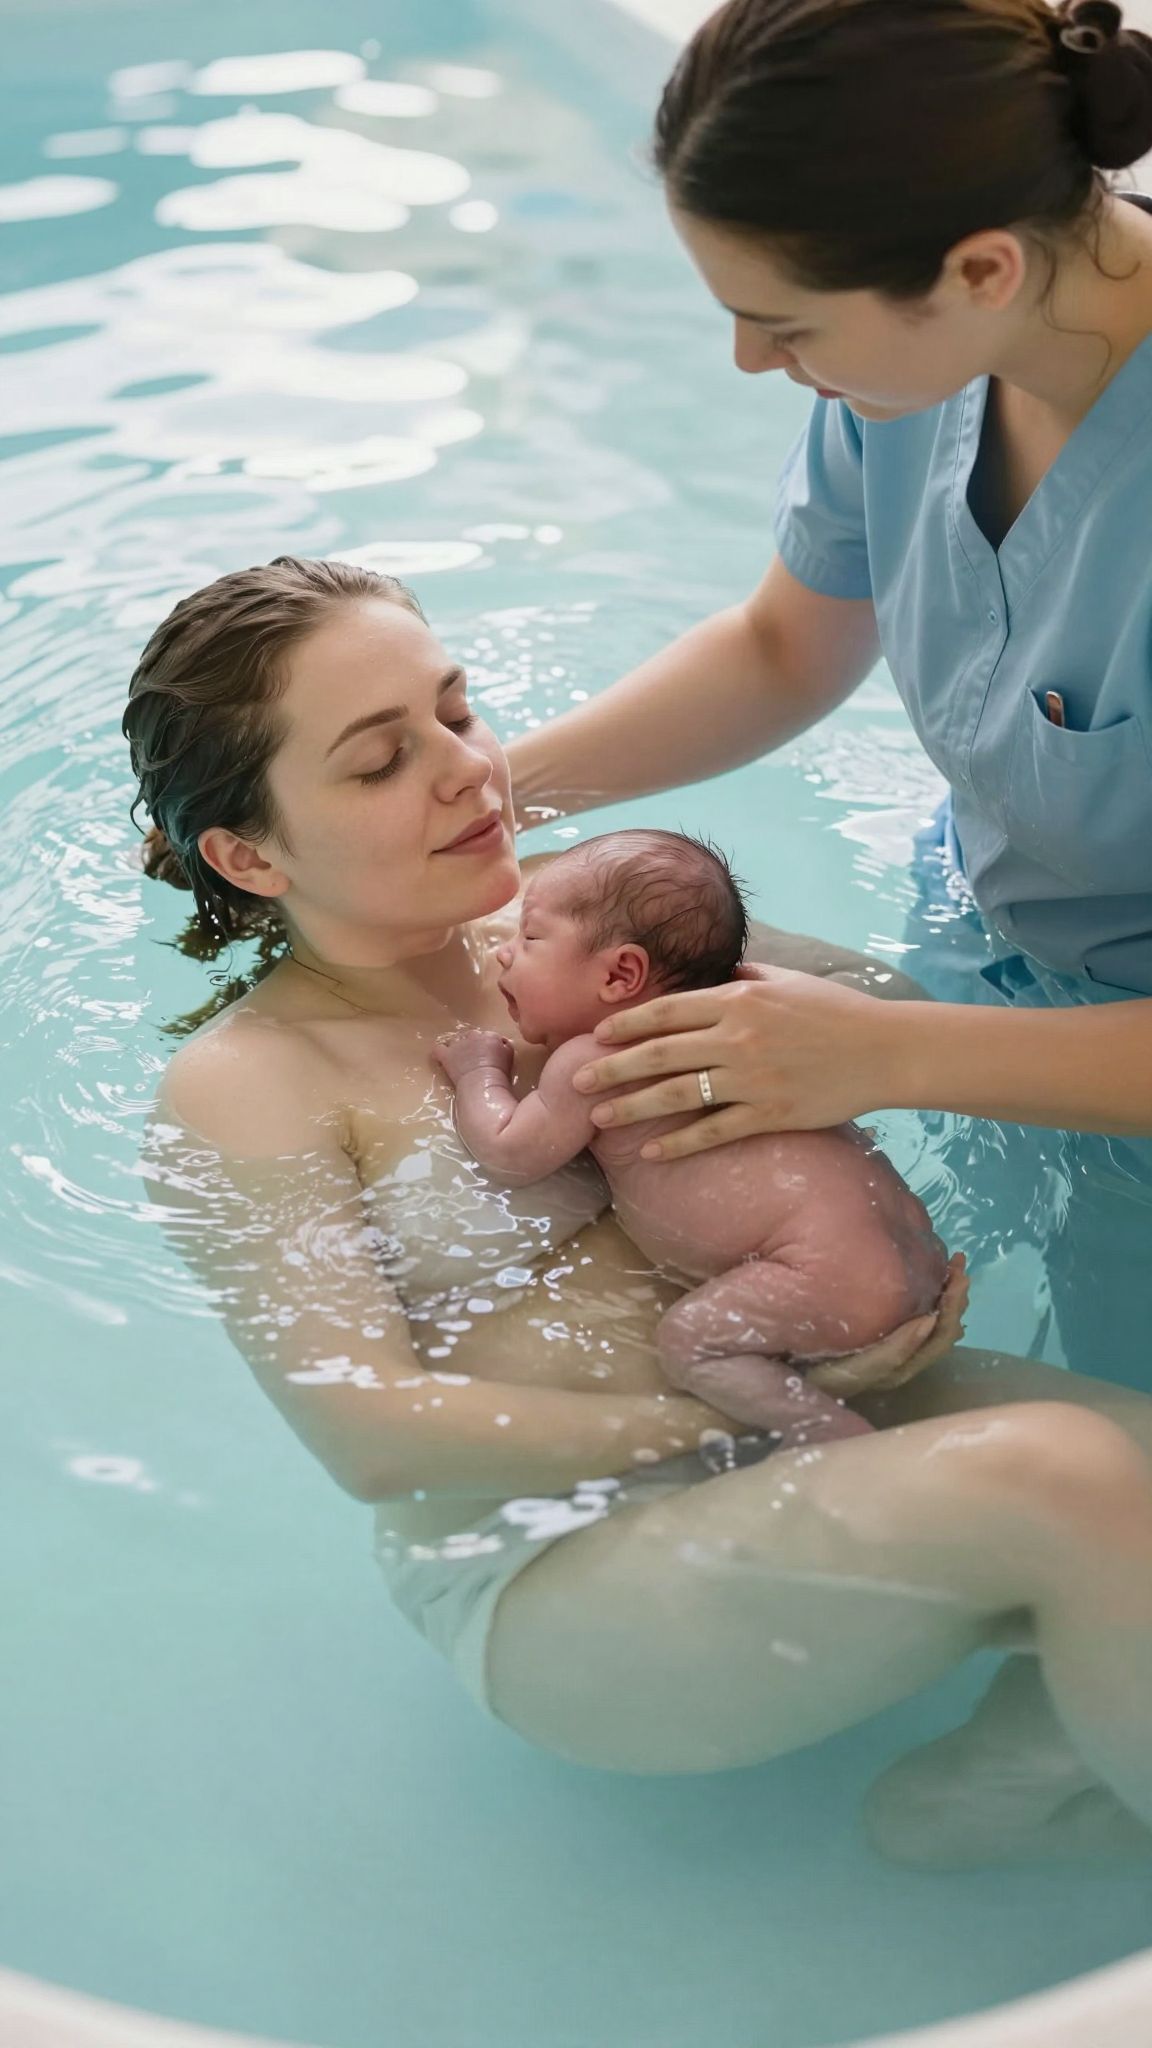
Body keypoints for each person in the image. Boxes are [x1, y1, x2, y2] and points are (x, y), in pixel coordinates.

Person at [124, 555, 1152, 1868]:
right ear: (247, 853)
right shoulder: (250, 1085)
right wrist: (727, 1414)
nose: (465, 768)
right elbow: (372, 1435)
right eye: (380, 761)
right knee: (1068, 1481)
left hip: (798, 1402)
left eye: (455, 708)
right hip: (569, 1575)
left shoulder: (578, 922)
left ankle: (1018, 1766)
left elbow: (887, 1022)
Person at [505, 0, 1152, 1394]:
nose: (752, 362)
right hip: (989, 942)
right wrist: (487, 802)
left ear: (978, 268)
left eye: (781, 323)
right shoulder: (913, 370)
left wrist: (886, 1051)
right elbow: (787, 648)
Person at [434, 829, 948, 1442]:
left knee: (688, 1345)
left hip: (825, 1279)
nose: (504, 954)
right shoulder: (751, 1027)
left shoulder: (595, 1062)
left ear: (622, 975)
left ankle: (832, 1437)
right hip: (917, 1252)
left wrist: (477, 1072)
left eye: (531, 937)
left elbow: (509, 1154)